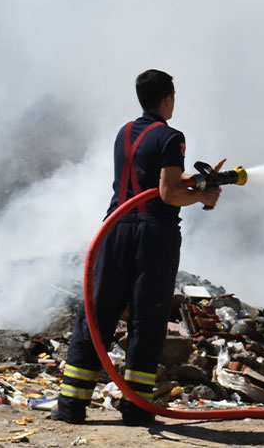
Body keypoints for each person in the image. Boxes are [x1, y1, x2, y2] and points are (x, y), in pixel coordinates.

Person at [52, 69, 222, 426]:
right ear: (167, 99)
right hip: (153, 235)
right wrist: (204, 195)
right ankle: (137, 408)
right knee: (148, 317)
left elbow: (148, 176)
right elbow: (167, 193)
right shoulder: (172, 137)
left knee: (98, 315)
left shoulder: (125, 133)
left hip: (114, 228)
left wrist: (199, 178)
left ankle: (71, 406)